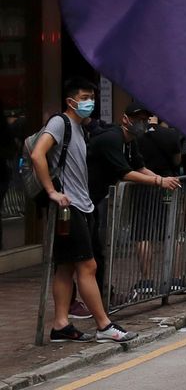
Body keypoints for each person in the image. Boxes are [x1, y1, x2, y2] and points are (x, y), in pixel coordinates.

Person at [30, 78, 137, 343]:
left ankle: (61, 325)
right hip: (70, 206)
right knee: (87, 265)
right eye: (85, 97)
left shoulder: (79, 127)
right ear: (71, 101)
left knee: (66, 267)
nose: (90, 102)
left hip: (80, 205)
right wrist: (52, 192)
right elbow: (37, 155)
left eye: (92, 97)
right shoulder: (60, 122)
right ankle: (104, 325)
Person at [86, 103, 182, 308]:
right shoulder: (113, 139)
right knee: (87, 256)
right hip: (84, 198)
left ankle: (103, 297)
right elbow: (125, 173)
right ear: (125, 119)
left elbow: (139, 167)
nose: (141, 124)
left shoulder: (131, 142)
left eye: (144, 120)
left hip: (96, 199)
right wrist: (160, 181)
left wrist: (161, 178)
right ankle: (91, 301)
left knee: (95, 253)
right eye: (137, 119)